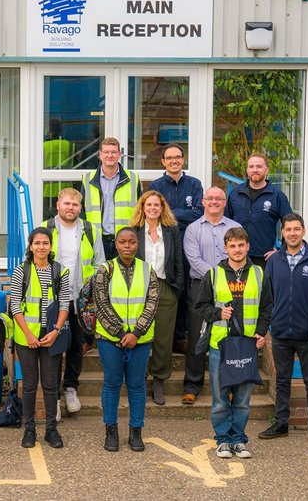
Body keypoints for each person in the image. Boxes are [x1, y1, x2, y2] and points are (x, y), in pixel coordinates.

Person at [194, 227, 272, 459]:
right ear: (225, 248)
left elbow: (266, 308)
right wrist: (218, 314)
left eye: (241, 245)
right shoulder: (213, 274)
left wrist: (260, 333)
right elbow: (200, 306)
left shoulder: (259, 273)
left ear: (247, 246)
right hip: (220, 345)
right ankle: (223, 440)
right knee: (220, 398)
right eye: (232, 246)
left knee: (242, 399)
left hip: (247, 345)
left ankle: (238, 439)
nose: (237, 250)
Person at [259, 213, 308, 446]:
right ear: (282, 233)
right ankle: (281, 423)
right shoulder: (274, 261)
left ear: (304, 231)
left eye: (296, 229)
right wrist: (268, 326)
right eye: (288, 229)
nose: (292, 233)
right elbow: (267, 298)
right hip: (280, 332)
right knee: (282, 380)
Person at [93, 227, 159, 452]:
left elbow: (152, 303)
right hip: (110, 338)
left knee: (137, 385)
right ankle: (111, 431)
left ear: (137, 244)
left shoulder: (147, 270)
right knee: (111, 384)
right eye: (123, 242)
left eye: (132, 242)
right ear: (116, 245)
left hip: (140, 339)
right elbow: (101, 304)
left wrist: (136, 333)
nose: (127, 246)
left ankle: (135, 432)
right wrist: (122, 334)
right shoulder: (105, 270)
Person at [41, 187, 105, 417]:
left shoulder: (90, 231)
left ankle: (71, 388)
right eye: (67, 203)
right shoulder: (46, 228)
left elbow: (100, 264)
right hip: (53, 299)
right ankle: (54, 398)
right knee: (55, 346)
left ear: (81, 207)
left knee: (76, 346)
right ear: (58, 204)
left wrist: (91, 291)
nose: (70, 208)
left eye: (75, 204)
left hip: (80, 298)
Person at [10, 227, 71, 449]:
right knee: (28, 384)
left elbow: (65, 304)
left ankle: (51, 431)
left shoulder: (60, 271)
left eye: (45, 243)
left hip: (51, 335)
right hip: (26, 336)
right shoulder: (21, 271)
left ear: (51, 246)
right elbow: (14, 305)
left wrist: (55, 331)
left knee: (50, 384)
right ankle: (29, 430)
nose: (41, 247)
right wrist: (28, 334)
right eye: (37, 243)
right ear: (30, 246)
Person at [181, 187, 242, 405]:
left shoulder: (235, 227)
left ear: (224, 202)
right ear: (203, 202)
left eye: (219, 198)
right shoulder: (193, 229)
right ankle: (192, 386)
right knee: (198, 336)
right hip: (201, 288)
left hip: (233, 287)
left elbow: (239, 255)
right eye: (210, 198)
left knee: (230, 335)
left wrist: (225, 280)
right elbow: (194, 261)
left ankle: (231, 385)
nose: (214, 202)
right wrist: (217, 277)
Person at [129, 191, 183, 405]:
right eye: (148, 204)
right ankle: (139, 378)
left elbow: (178, 260)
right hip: (138, 287)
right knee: (139, 332)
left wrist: (177, 288)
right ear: (142, 207)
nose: (152, 208)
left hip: (165, 286)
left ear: (162, 208)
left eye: (156, 205)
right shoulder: (134, 230)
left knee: (163, 336)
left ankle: (159, 380)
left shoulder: (171, 231)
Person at [149, 144, 204, 354]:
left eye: (178, 157)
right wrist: (182, 214)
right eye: (169, 158)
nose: (174, 161)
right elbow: (154, 213)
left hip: (189, 244)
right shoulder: (156, 185)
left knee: (184, 290)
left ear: (183, 160)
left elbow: (199, 212)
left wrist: (170, 214)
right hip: (164, 245)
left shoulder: (194, 184)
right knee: (165, 289)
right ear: (163, 161)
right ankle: (160, 336)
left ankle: (180, 338)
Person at [225, 153, 292, 268]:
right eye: (251, 167)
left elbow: (290, 224)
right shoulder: (235, 194)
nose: (255, 170)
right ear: (247, 170)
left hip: (264, 259)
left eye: (259, 167)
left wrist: (282, 250)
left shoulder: (277, 196)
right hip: (237, 257)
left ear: (267, 170)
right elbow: (225, 222)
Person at [81, 137, 142, 260]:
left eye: (114, 152)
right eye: (106, 152)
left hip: (125, 241)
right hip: (97, 239)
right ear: (100, 155)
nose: (110, 155)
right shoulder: (87, 179)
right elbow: (81, 210)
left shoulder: (133, 178)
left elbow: (140, 211)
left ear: (119, 154)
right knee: (100, 277)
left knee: (123, 278)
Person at [43, 118, 75, 219]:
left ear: (49, 131)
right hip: (66, 187)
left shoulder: (43, 146)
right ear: (61, 130)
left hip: (47, 189)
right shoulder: (70, 145)